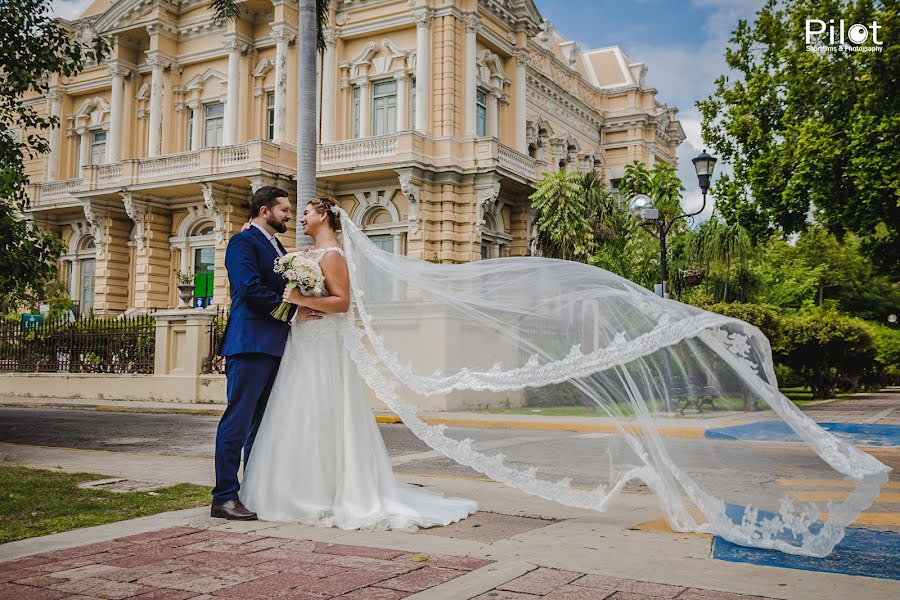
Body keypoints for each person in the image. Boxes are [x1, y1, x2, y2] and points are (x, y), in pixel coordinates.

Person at [240, 198, 477, 530]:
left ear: (323, 216)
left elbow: (343, 301)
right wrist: (252, 228)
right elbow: (276, 248)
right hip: (303, 343)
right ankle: (292, 488)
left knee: (322, 411)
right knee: (296, 411)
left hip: (323, 344)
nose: (300, 219)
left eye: (306, 213)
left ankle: (324, 490)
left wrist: (299, 300)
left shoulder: (334, 256)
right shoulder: (307, 254)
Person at [211, 186, 322, 521]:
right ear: (264, 210)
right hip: (250, 343)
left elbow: (280, 281)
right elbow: (248, 288)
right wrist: (293, 311)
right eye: (285, 210)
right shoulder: (242, 241)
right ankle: (224, 497)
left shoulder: (274, 244)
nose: (289, 215)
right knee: (238, 419)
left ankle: (251, 490)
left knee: (261, 424)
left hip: (275, 346)